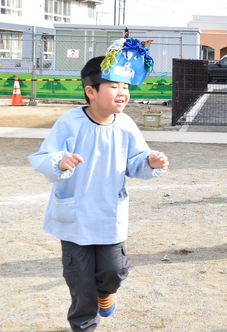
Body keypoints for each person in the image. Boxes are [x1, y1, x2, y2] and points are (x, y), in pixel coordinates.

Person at [28, 35, 169, 332]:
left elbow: (136, 161)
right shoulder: (69, 122)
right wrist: (59, 162)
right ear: (91, 91)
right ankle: (84, 325)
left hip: (109, 215)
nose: (122, 92)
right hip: (75, 217)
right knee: (79, 280)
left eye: (126, 86)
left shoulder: (127, 125)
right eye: (114, 86)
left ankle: (106, 294)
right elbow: (44, 156)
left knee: (113, 272)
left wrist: (150, 162)